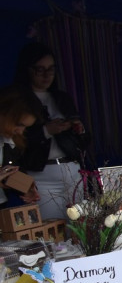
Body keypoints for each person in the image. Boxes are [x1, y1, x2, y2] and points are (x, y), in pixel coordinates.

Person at [12, 42, 87, 218]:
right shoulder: (18, 99)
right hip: (42, 174)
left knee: (80, 227)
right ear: (28, 70)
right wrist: (46, 131)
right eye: (40, 69)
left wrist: (78, 129)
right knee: (52, 230)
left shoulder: (62, 97)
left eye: (51, 69)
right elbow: (15, 139)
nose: (46, 75)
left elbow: (83, 140)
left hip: (72, 170)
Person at [0, 87, 41, 207]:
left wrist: (26, 188)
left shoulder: (8, 142)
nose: (20, 132)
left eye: (25, 127)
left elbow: (10, 173)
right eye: (19, 124)